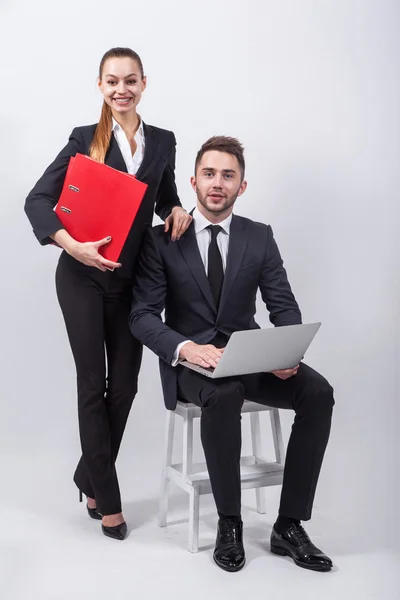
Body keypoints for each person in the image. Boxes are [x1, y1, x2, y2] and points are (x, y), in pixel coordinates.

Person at [129, 136, 335, 571]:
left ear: (242, 186)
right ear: (193, 181)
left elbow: (282, 305)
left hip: (248, 356)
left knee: (318, 393)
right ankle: (230, 522)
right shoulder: (162, 239)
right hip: (194, 365)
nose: (217, 183)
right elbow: (143, 316)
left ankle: (290, 525)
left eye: (228, 175)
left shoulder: (259, 237)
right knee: (224, 396)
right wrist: (187, 348)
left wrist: (286, 351)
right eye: (209, 174)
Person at [24, 47, 192, 541]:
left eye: (131, 80)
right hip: (81, 276)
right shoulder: (84, 138)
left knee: (125, 387)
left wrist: (177, 209)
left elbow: (162, 197)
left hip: (131, 281)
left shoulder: (163, 140)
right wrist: (72, 246)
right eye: (112, 81)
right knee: (91, 383)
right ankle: (109, 500)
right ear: (100, 86)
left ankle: (88, 475)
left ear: (144, 84)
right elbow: (37, 199)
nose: (122, 89)